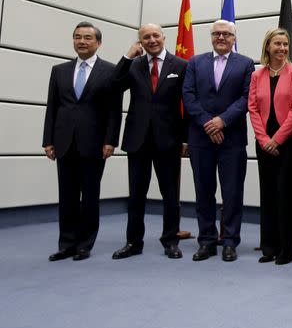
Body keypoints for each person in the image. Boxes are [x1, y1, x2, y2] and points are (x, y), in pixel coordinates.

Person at [43, 21, 122, 261]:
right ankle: (66, 243)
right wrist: (48, 140)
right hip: (64, 141)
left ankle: (84, 244)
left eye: (88, 38)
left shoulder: (110, 71)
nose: (82, 41)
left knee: (89, 195)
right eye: (78, 37)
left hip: (95, 143)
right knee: (66, 195)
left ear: (98, 43)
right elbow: (52, 107)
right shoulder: (59, 70)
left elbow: (114, 110)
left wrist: (110, 140)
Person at [110, 23, 187, 260]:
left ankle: (170, 241)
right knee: (136, 194)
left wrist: (186, 139)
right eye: (146, 37)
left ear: (164, 37)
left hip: (169, 140)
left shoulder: (181, 66)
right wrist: (126, 56)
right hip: (137, 139)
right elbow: (113, 86)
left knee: (170, 195)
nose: (151, 40)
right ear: (140, 41)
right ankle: (133, 242)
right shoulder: (133, 65)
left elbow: (188, 104)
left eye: (155, 35)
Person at [182, 20, 254, 262]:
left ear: (234, 38)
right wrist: (208, 123)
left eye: (226, 34)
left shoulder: (245, 64)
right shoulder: (195, 62)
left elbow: (246, 98)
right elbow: (188, 95)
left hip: (232, 138)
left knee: (232, 192)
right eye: (217, 34)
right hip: (200, 138)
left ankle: (230, 241)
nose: (221, 37)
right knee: (204, 191)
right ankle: (207, 241)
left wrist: (222, 121)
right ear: (211, 37)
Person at [248, 27, 292, 265]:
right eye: (278, 44)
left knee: (287, 194)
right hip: (264, 143)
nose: (282, 48)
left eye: (285, 44)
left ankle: (286, 249)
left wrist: (277, 139)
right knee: (268, 193)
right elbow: (252, 108)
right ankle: (269, 246)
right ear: (268, 47)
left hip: (290, 142)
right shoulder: (257, 75)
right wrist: (263, 139)